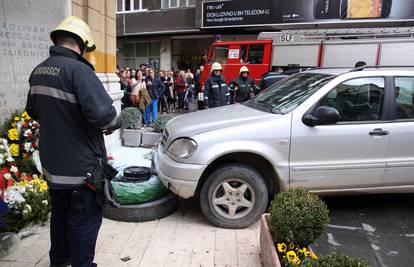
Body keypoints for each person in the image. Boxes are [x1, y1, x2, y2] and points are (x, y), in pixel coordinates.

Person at [25, 16, 121, 267]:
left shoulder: (39, 71)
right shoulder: (78, 71)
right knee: (83, 223)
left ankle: (59, 262)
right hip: (82, 170)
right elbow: (105, 117)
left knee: (60, 217)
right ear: (81, 44)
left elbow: (33, 111)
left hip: (54, 167)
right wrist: (114, 124)